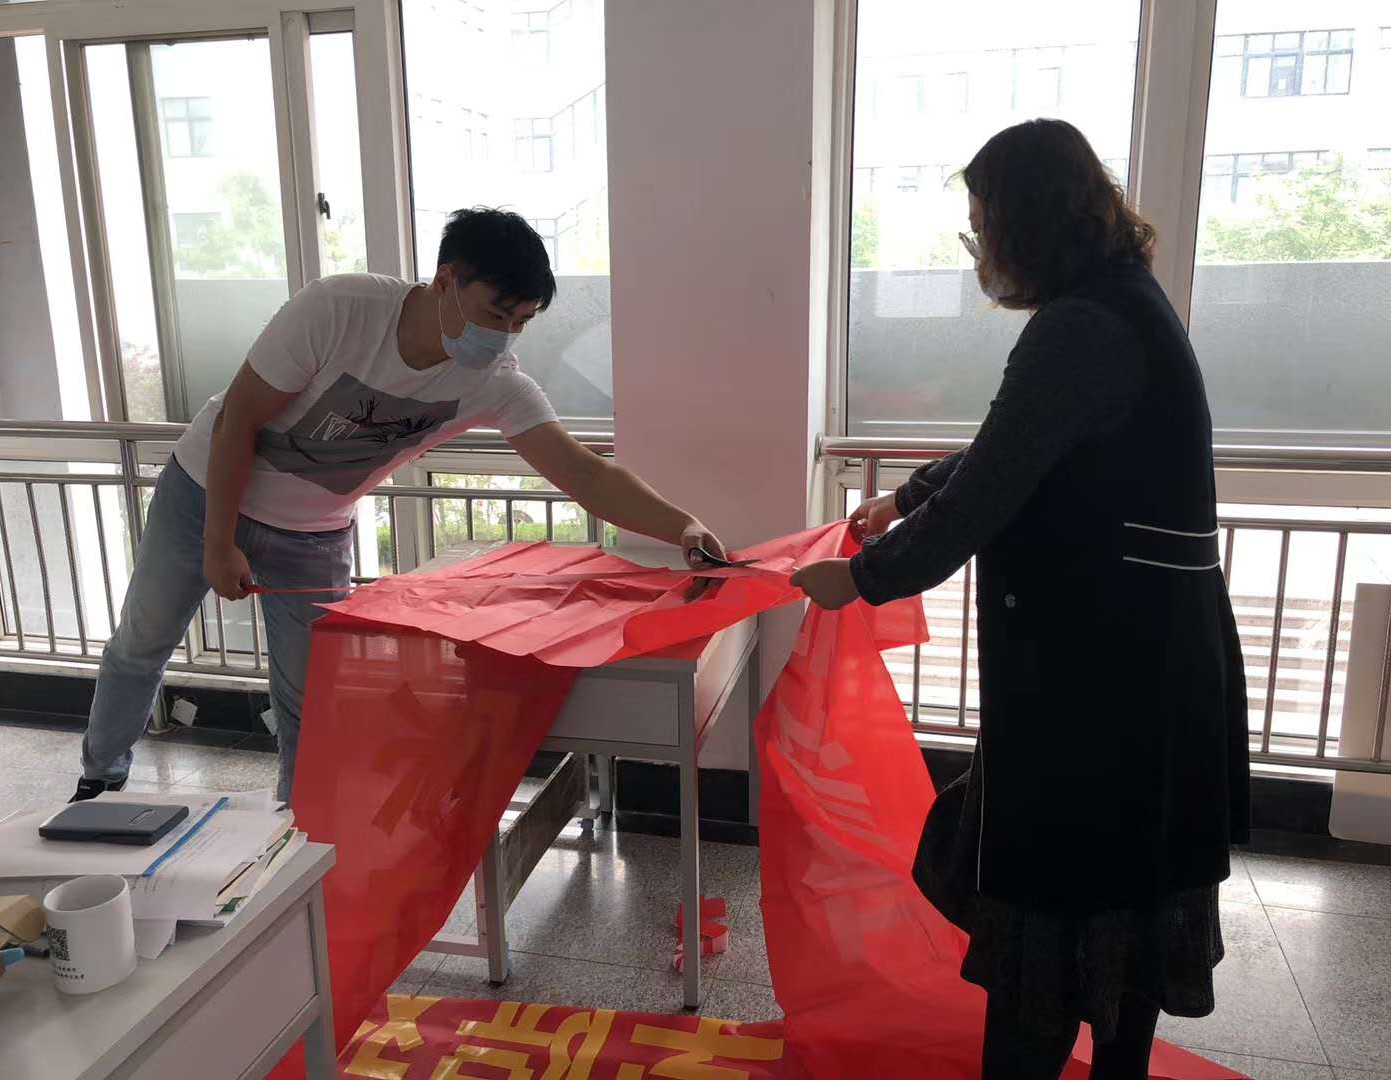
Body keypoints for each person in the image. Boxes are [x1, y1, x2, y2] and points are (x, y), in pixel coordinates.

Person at [792, 120, 1250, 1080]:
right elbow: (1018, 445)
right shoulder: (1124, 303)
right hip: (1152, 665)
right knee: (1130, 904)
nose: (979, 252)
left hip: (1101, 683)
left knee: (1053, 907)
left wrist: (862, 578)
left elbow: (991, 488)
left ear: (1028, 223)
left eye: (982, 227)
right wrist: (907, 497)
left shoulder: (1078, 328)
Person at [78, 207, 725, 804]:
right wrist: (218, 541)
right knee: (143, 640)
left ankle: (301, 829)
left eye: (521, 322)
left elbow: (584, 472)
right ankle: (99, 780)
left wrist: (683, 526)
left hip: (312, 536)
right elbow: (239, 417)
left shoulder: (492, 383)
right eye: (496, 313)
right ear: (447, 280)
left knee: (312, 695)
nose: (503, 336)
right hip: (204, 490)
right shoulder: (341, 309)